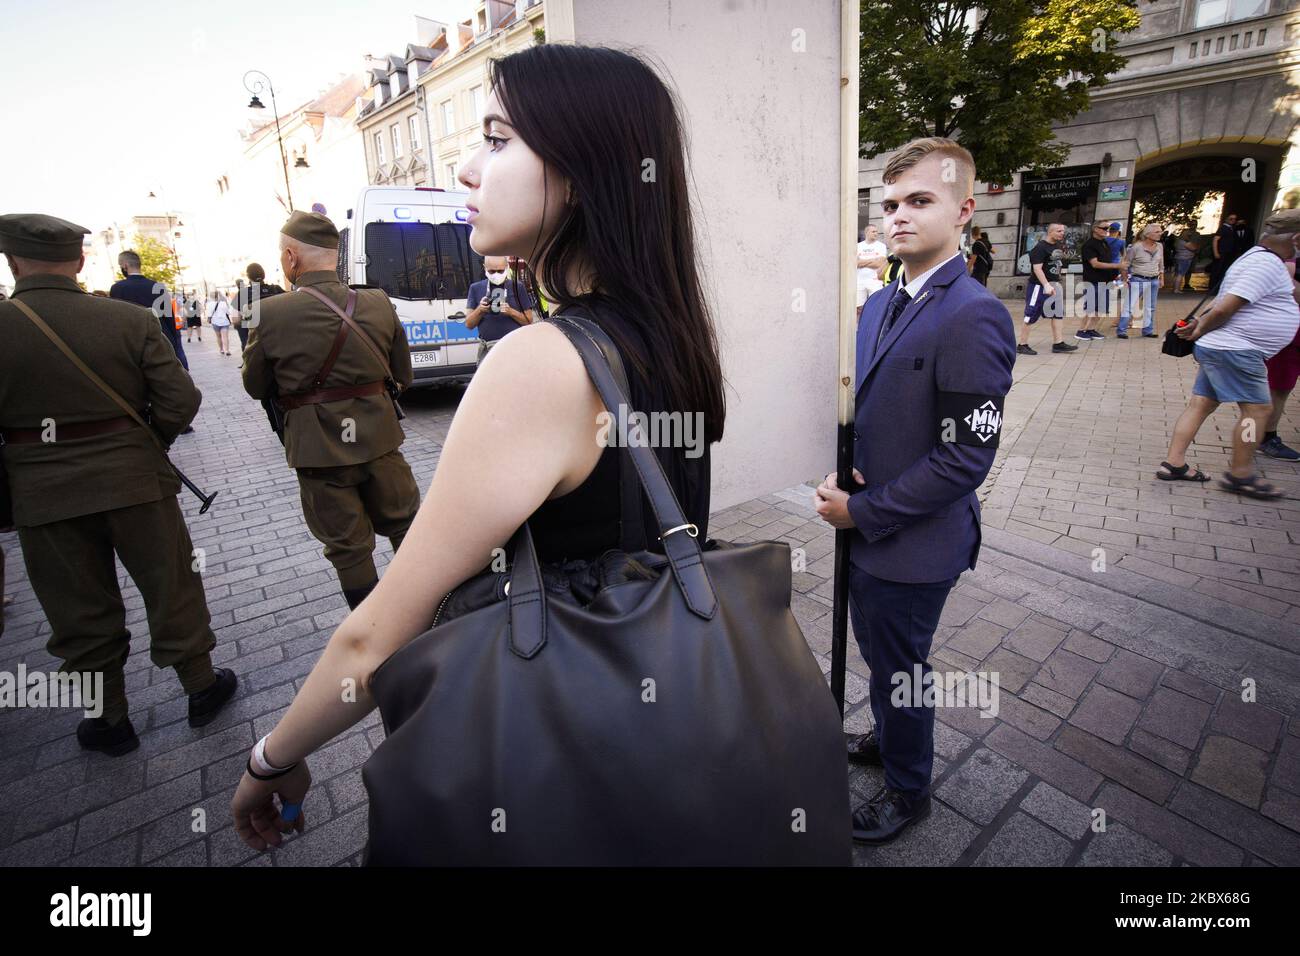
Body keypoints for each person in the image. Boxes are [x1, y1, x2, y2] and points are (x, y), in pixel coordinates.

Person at [230, 44, 725, 855]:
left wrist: (272, 756)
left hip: (554, 763)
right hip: (658, 728)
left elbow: (380, 633)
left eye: (497, 140)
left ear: (583, 169)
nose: (464, 167)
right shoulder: (670, 334)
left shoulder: (542, 363)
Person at [814, 137, 1014, 845]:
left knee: (903, 668)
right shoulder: (878, 306)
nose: (898, 216)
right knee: (883, 656)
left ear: (963, 210)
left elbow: (964, 459)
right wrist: (843, 473)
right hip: (870, 531)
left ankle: (909, 788)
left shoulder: (974, 314)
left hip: (913, 543)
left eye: (919, 201)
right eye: (890, 203)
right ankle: (891, 739)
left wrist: (862, 511)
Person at [0, 213, 237, 756]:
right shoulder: (126, 321)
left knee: (76, 607)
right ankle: (200, 688)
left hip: (42, 493)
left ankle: (108, 719)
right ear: (80, 260)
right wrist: (145, 441)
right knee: (170, 584)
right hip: (135, 481)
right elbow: (181, 401)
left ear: (12, 262)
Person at [241, 211, 421, 610]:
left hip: (318, 448)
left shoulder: (269, 313)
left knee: (349, 548)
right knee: (406, 524)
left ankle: (371, 632)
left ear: (291, 257)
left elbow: (255, 386)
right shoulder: (376, 300)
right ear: (335, 256)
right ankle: (432, 612)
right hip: (379, 438)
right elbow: (402, 374)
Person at [1160, 208, 1300, 498]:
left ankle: (1174, 463)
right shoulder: (1265, 265)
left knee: (1201, 403)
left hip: (1226, 347)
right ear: (1296, 238)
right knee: (1258, 410)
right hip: (1237, 349)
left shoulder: (1253, 258)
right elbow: (1227, 306)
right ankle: (1241, 474)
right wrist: (1200, 329)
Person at [109, 250, 189, 371]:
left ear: (125, 266)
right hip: (161, 340)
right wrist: (172, 342)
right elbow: (169, 317)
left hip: (135, 345)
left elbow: (117, 319)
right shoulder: (158, 286)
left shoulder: (118, 289)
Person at [464, 255, 536, 363]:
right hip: (488, 350)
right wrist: (480, 310)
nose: (496, 274)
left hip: (513, 347)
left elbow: (529, 321)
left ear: (507, 267)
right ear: (484, 268)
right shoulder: (475, 288)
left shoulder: (517, 287)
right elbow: (469, 324)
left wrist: (511, 312)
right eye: (492, 271)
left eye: (500, 271)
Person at [1016, 222, 1075, 355]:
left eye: (1063, 231)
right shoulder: (1040, 247)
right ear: (1050, 232)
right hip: (1039, 286)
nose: (1062, 233)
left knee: (1057, 313)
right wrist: (1046, 285)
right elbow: (1037, 268)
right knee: (1030, 314)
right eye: (1059, 231)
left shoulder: (1057, 245)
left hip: (1054, 285)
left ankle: (1058, 343)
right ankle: (1022, 344)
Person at [1077, 221, 1123, 340]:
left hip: (1105, 280)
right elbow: (1095, 264)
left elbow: (1108, 259)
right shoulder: (1089, 245)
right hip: (1093, 280)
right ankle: (1081, 331)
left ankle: (1091, 329)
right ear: (1095, 229)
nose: (1107, 230)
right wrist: (1117, 266)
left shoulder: (1104, 242)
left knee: (1101, 307)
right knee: (1090, 307)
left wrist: (1115, 274)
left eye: (1109, 228)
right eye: (1104, 228)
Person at [1118, 223, 1164, 338]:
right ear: (1148, 234)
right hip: (1138, 279)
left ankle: (1148, 330)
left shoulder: (1159, 246)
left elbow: (1161, 264)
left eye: (1160, 231)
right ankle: (1121, 331)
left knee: (1151, 306)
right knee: (1130, 305)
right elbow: (1125, 264)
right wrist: (1125, 279)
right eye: (1157, 232)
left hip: (1153, 280)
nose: (1160, 234)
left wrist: (1161, 278)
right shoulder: (1136, 247)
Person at [233, 263, 283, 358]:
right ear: (263, 274)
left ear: (248, 277)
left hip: (254, 342)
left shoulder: (243, 293)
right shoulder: (275, 289)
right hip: (277, 339)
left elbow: (236, 319)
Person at [856, 225, 888, 318]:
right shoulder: (858, 246)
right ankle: (859, 328)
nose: (876, 233)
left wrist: (862, 262)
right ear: (867, 233)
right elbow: (854, 263)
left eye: (876, 231)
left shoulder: (881, 246)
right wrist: (873, 260)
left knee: (876, 306)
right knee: (858, 308)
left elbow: (879, 264)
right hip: (860, 281)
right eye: (873, 231)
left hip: (875, 281)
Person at [1208, 212, 1238, 293]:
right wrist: (1216, 252)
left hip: (1227, 253)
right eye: (1231, 219)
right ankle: (1212, 289)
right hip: (1221, 253)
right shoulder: (1223, 228)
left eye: (1234, 219)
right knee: (1217, 270)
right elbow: (1215, 239)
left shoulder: (1231, 229)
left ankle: (1217, 289)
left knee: (1223, 271)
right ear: (1227, 219)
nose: (1233, 220)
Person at [1174, 223, 1200, 293]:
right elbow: (1194, 248)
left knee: (1178, 274)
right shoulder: (1184, 242)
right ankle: (1177, 289)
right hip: (1184, 258)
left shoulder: (1178, 241)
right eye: (1188, 235)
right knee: (1181, 274)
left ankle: (1176, 288)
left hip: (1179, 257)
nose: (1189, 236)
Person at [207, 290, 233, 355]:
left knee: (218, 337)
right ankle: (227, 350)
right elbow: (228, 312)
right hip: (224, 322)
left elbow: (209, 314)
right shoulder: (223, 303)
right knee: (225, 337)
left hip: (215, 322)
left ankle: (221, 349)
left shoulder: (209, 304)